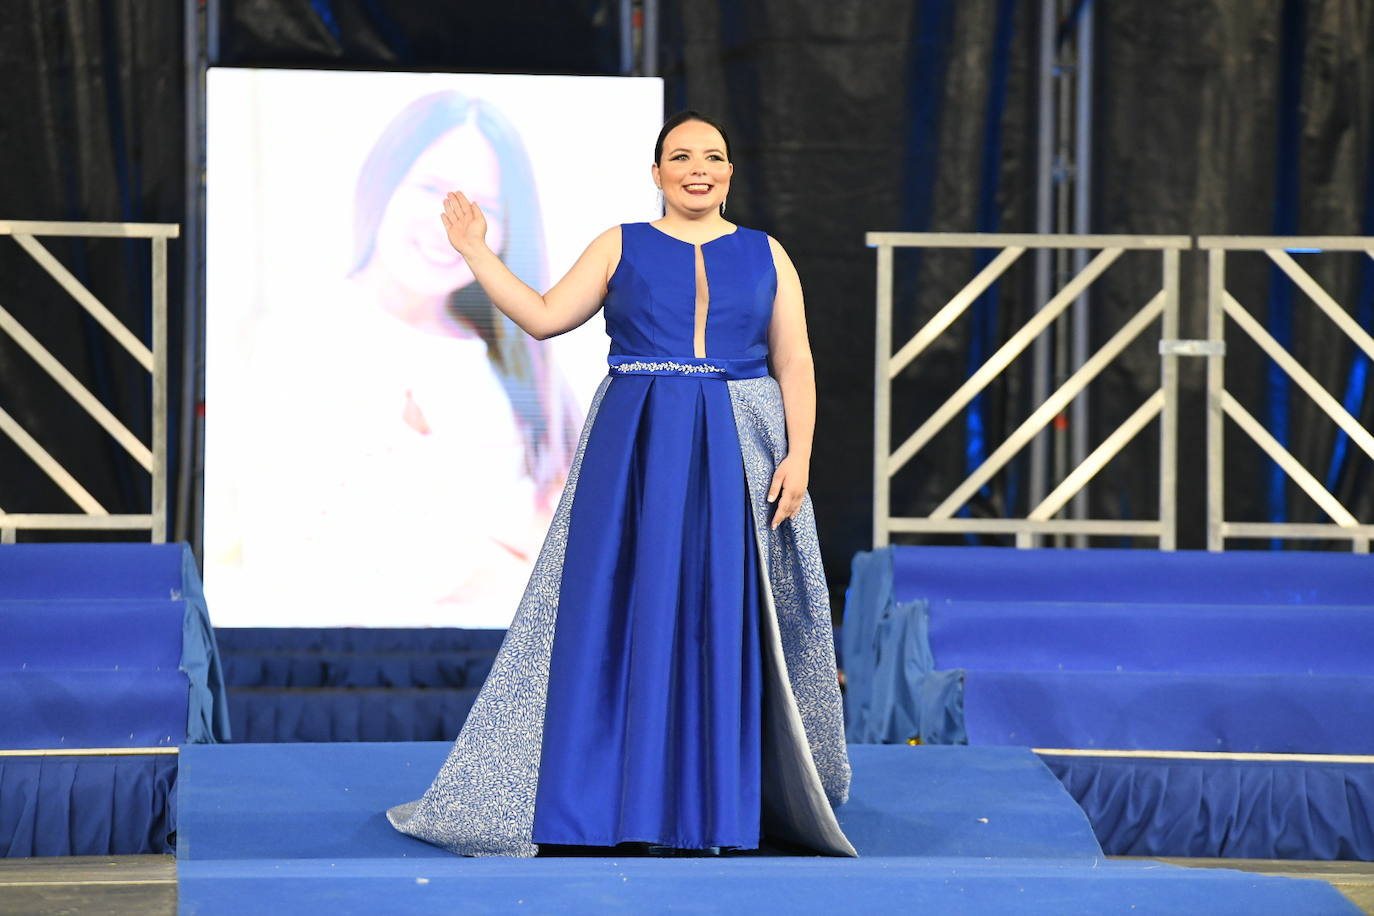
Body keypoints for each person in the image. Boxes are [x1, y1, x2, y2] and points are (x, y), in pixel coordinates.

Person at [387, 110, 855, 857]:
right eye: (681, 156)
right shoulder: (620, 243)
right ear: (657, 171)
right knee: (620, 613)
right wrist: (474, 250)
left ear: (730, 173)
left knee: (720, 618)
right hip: (636, 451)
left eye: (713, 156)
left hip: (739, 449)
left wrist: (799, 455)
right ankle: (609, 807)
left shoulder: (769, 254)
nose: (697, 168)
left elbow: (793, 360)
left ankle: (713, 809)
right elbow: (543, 318)